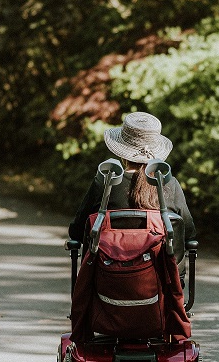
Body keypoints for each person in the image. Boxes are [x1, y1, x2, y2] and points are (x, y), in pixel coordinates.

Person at [68, 112, 196, 262]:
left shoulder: (104, 183)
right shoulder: (169, 184)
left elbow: (76, 232)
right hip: (162, 279)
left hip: (107, 278)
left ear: (122, 153)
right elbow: (189, 235)